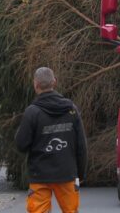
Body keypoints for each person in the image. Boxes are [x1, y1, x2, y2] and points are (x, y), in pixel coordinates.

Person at [15, 67, 87, 213]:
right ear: (54, 82)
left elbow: (21, 144)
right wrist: (80, 173)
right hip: (67, 173)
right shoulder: (71, 109)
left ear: (35, 85)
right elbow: (81, 145)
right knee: (71, 210)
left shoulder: (32, 112)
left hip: (40, 174)